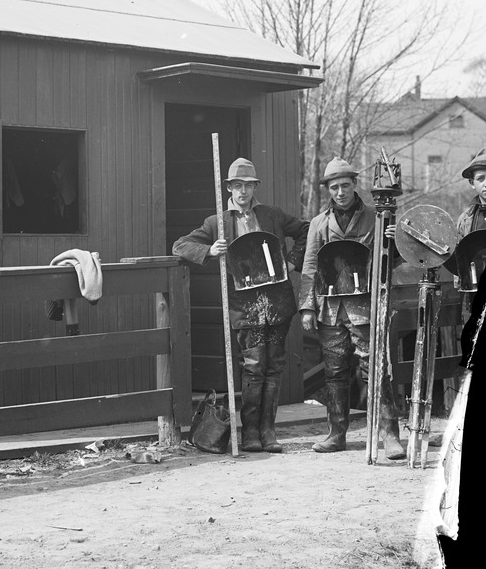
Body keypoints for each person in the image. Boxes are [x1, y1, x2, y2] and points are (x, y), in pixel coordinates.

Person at [172, 158, 309, 453]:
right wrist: (209, 249)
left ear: (254, 187)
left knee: (274, 367)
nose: (243, 191)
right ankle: (250, 434)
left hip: (276, 301)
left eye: (248, 185)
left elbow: (305, 230)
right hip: (245, 306)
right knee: (254, 366)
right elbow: (180, 245)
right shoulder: (217, 222)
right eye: (237, 185)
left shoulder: (271, 215)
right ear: (229, 188)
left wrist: (293, 261)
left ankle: (268, 432)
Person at [299, 156, 405, 459]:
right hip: (331, 310)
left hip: (365, 307)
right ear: (328, 190)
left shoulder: (377, 217)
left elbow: (393, 260)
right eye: (334, 187)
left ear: (354, 185)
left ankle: (389, 434)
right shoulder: (319, 224)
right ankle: (336, 434)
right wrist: (307, 308)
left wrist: (392, 241)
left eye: (345, 185)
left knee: (376, 369)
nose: (340, 192)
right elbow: (309, 267)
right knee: (334, 373)